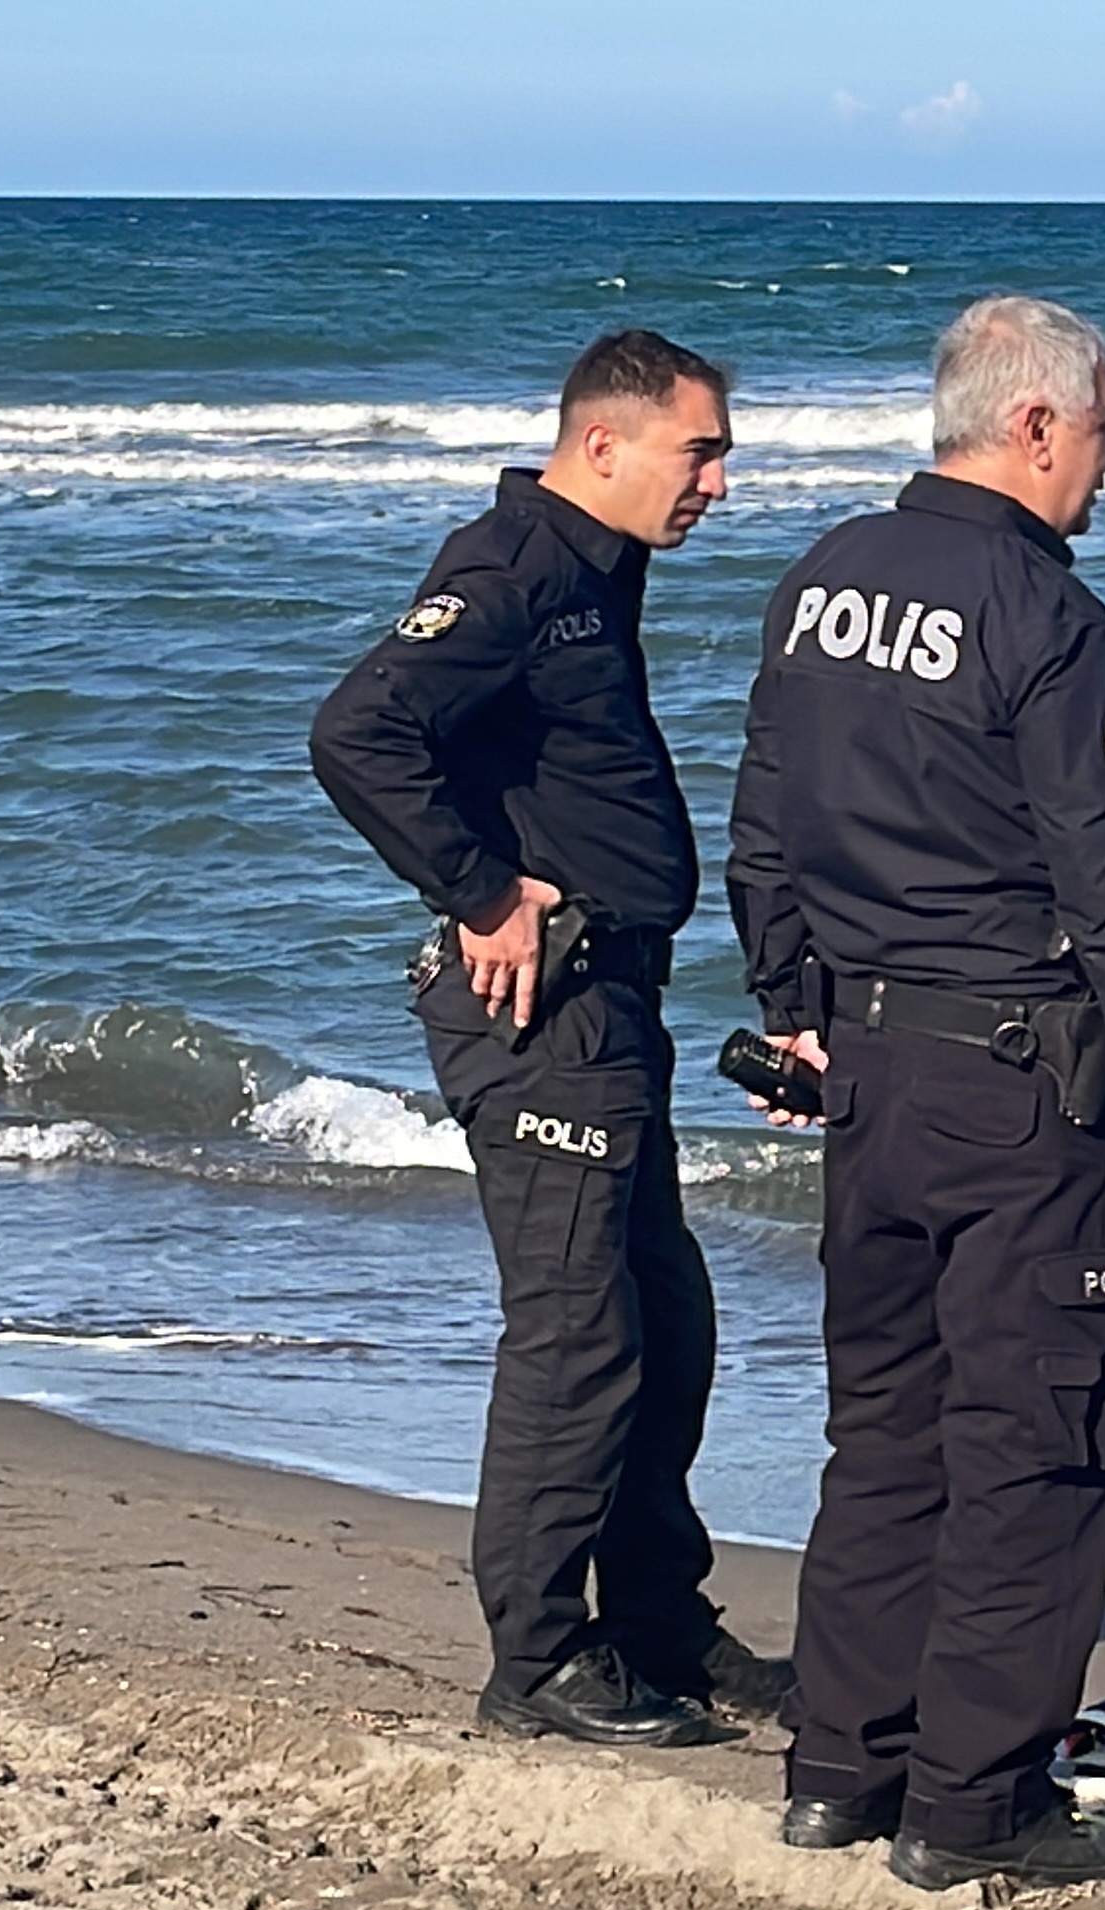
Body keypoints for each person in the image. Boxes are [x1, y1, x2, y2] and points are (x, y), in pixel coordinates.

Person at [727, 294, 1105, 1891]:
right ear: (1034, 425)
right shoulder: (1049, 615)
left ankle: (843, 1767)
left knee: (886, 1429)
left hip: (871, 1077)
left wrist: (794, 1008)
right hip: (1024, 1087)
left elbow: (766, 819)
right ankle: (977, 1804)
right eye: (1103, 431)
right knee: (1041, 1434)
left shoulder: (822, 578)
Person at [310, 328, 783, 1748]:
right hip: (541, 1012)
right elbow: (357, 733)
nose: (717, 481)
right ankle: (537, 1660)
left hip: (614, 999)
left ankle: (654, 1620)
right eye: (698, 452)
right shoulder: (512, 571)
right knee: (579, 1336)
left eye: (722, 454)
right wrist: (479, 891)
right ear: (604, 447)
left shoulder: (594, 569)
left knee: (668, 1321)